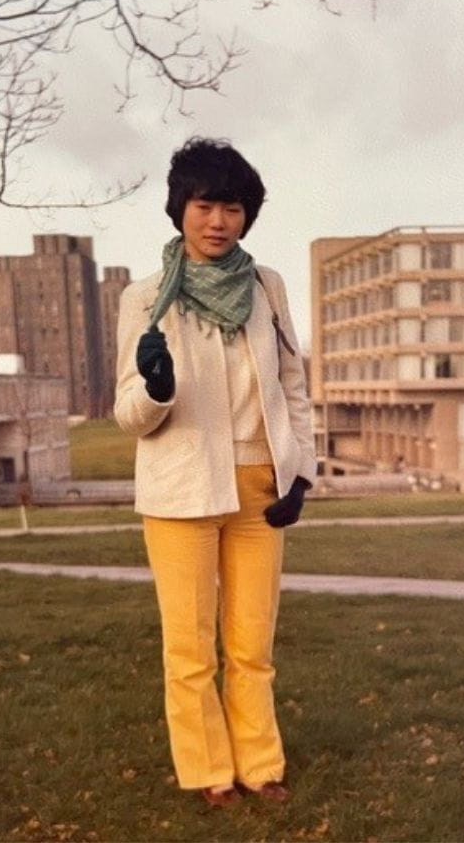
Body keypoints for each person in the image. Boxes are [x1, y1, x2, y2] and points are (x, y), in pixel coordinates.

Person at [114, 138, 318, 810]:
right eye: (205, 205)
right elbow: (128, 414)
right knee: (191, 649)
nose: (218, 221)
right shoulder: (145, 298)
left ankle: (261, 765)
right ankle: (209, 771)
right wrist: (157, 388)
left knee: (252, 642)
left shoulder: (268, 287)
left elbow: (293, 383)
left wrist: (302, 475)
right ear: (180, 209)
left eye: (232, 207)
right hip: (180, 492)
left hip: (262, 485)